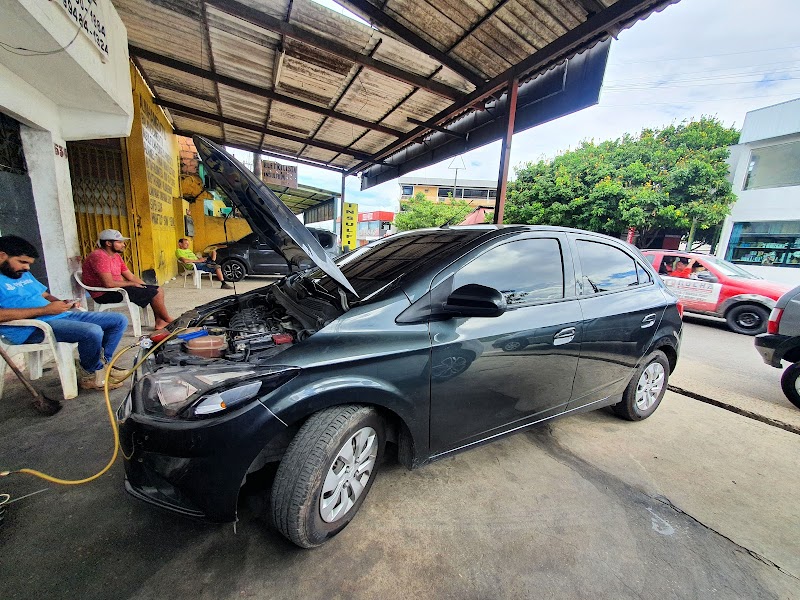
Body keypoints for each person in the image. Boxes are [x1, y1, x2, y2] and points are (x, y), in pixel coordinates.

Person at [0, 235, 128, 399]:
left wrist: (61, 302)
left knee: (118, 320)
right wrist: (45, 310)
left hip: (56, 315)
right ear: (2, 255)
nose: (27, 268)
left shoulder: (20, 273)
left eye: (28, 264)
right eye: (22, 262)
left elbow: (44, 294)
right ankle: (90, 374)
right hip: (30, 328)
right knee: (92, 331)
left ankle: (102, 366)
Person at [81, 229, 174, 330]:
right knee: (154, 293)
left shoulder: (115, 256)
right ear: (108, 243)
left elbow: (131, 276)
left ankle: (160, 321)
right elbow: (108, 283)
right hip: (104, 293)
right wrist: (132, 284)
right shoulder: (99, 256)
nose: (123, 245)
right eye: (119, 242)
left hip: (118, 288)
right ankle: (168, 319)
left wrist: (145, 287)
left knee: (157, 289)